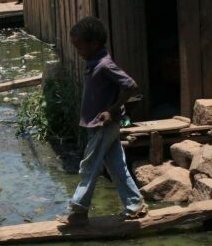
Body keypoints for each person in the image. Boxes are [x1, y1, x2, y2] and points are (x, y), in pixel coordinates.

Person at [57, 17, 148, 226]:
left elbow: (132, 86)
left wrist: (111, 110)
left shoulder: (105, 65)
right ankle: (135, 205)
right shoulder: (93, 63)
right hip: (98, 126)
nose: (78, 51)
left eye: (79, 47)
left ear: (94, 44)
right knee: (117, 167)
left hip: (103, 126)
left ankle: (79, 211)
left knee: (89, 167)